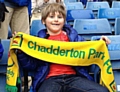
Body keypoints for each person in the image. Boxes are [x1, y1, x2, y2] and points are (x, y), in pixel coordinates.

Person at [17, 3, 110, 92]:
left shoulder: (74, 37)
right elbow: (31, 65)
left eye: (60, 17)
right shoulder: (38, 41)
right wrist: (21, 53)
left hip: (73, 77)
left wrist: (100, 41)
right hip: (50, 79)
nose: (56, 20)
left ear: (64, 20)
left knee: (102, 90)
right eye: (51, 17)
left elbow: (88, 49)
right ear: (43, 21)